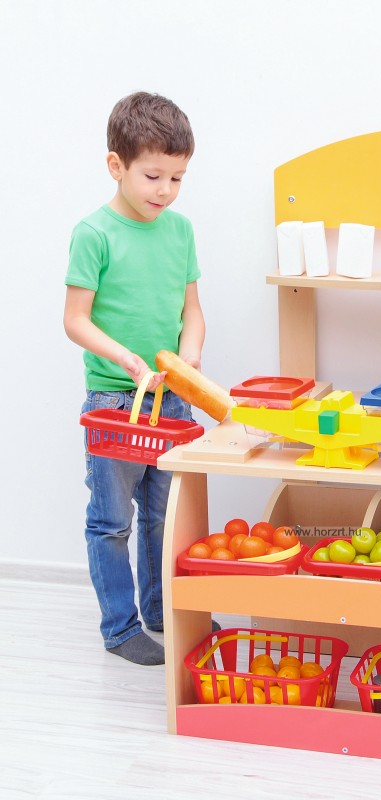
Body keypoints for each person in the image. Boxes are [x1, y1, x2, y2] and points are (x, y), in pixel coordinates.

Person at [64, 92, 205, 665]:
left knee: (165, 518)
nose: (165, 190)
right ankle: (120, 628)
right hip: (114, 403)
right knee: (111, 522)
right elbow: (75, 320)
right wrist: (125, 358)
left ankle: (161, 610)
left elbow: (192, 311)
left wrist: (189, 356)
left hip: (170, 399)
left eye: (177, 178)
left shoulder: (181, 231)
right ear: (115, 165)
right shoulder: (93, 233)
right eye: (153, 176)